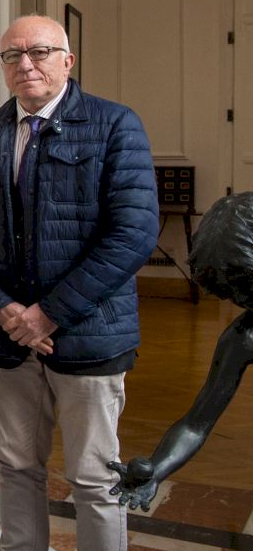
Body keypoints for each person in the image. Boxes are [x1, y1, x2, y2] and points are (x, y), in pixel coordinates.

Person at [0, 15, 159, 551]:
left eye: (39, 52)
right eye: (12, 55)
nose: (26, 64)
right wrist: (4, 310)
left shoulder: (115, 125)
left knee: (95, 479)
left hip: (89, 338)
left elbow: (133, 234)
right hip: (8, 340)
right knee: (17, 468)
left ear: (68, 60)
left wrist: (49, 313)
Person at [108, 192, 253, 511]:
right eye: (238, 298)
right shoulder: (244, 338)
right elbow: (196, 424)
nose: (243, 305)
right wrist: (156, 471)